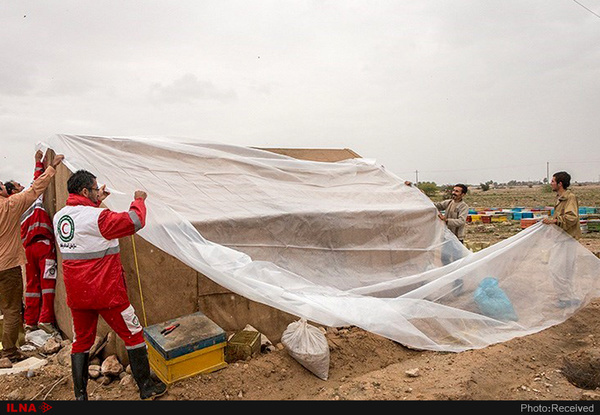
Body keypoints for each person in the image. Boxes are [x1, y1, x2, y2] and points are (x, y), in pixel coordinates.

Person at [53, 169, 166, 400]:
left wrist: (95, 202)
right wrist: (139, 200)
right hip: (107, 292)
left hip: (78, 295)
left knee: (81, 342)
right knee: (133, 334)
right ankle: (146, 388)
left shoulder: (60, 217)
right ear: (85, 191)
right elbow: (135, 221)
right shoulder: (99, 218)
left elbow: (86, 228)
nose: (98, 191)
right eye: (95, 189)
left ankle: (80, 395)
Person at [0, 152, 64, 363]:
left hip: (24, 253)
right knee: (14, 306)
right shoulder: (12, 206)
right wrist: (49, 166)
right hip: (18, 260)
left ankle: (30, 323)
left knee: (30, 288)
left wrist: (39, 163)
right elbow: (36, 188)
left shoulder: (15, 206)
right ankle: (10, 350)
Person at [542, 171, 581, 308]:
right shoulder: (560, 198)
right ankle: (568, 297)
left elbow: (571, 217)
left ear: (560, 183)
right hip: (561, 238)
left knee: (557, 269)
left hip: (567, 239)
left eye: (553, 181)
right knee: (563, 270)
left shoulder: (569, 198)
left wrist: (554, 221)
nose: (551, 183)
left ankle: (566, 298)